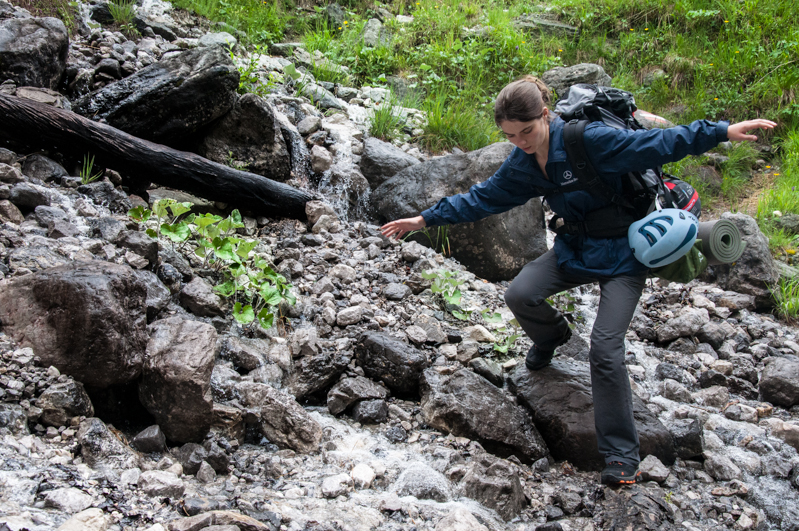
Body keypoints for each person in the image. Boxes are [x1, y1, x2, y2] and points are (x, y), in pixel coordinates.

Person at [380, 76, 777, 485]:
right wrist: (424, 219)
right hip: (575, 250)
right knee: (521, 293)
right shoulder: (522, 163)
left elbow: (659, 144)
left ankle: (621, 455)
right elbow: (482, 197)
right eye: (510, 136)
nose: (520, 142)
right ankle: (551, 337)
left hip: (626, 254)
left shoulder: (590, 140)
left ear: (545, 116)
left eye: (527, 132)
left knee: (605, 348)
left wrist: (722, 131)